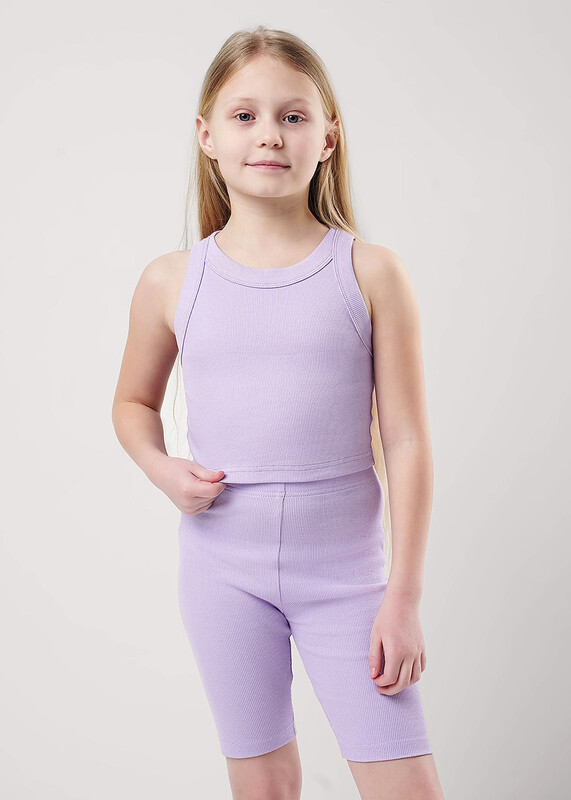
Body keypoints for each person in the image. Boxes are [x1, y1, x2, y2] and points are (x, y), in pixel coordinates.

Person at [112, 25, 445, 800]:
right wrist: (163, 469)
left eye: (292, 116)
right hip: (221, 573)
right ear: (207, 136)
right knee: (261, 788)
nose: (268, 135)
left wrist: (402, 598)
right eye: (245, 116)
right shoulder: (170, 280)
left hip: (349, 580)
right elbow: (131, 403)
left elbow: (406, 442)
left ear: (327, 137)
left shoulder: (370, 272)